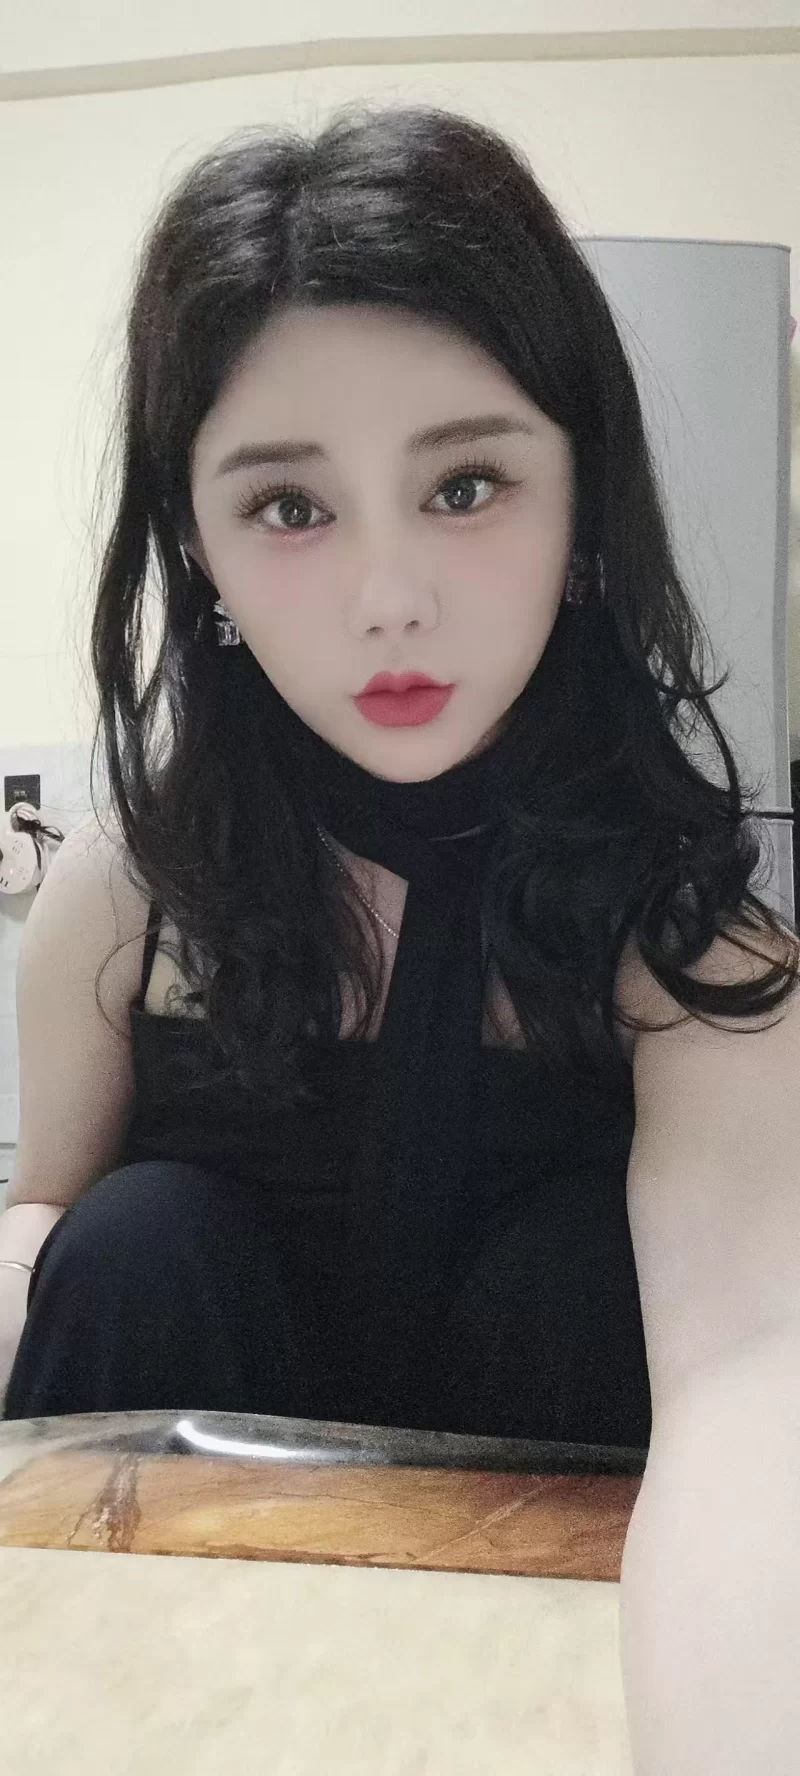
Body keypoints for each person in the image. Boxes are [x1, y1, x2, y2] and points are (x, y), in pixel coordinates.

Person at [1, 103, 795, 1443]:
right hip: (168, 1566)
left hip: (571, 1569)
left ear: (582, 506)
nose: (389, 601)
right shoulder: (131, 895)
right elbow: (45, 1216)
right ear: (197, 548)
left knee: (586, 1275)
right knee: (137, 1237)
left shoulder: (686, 949)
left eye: (465, 486)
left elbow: (746, 1375)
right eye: (289, 508)